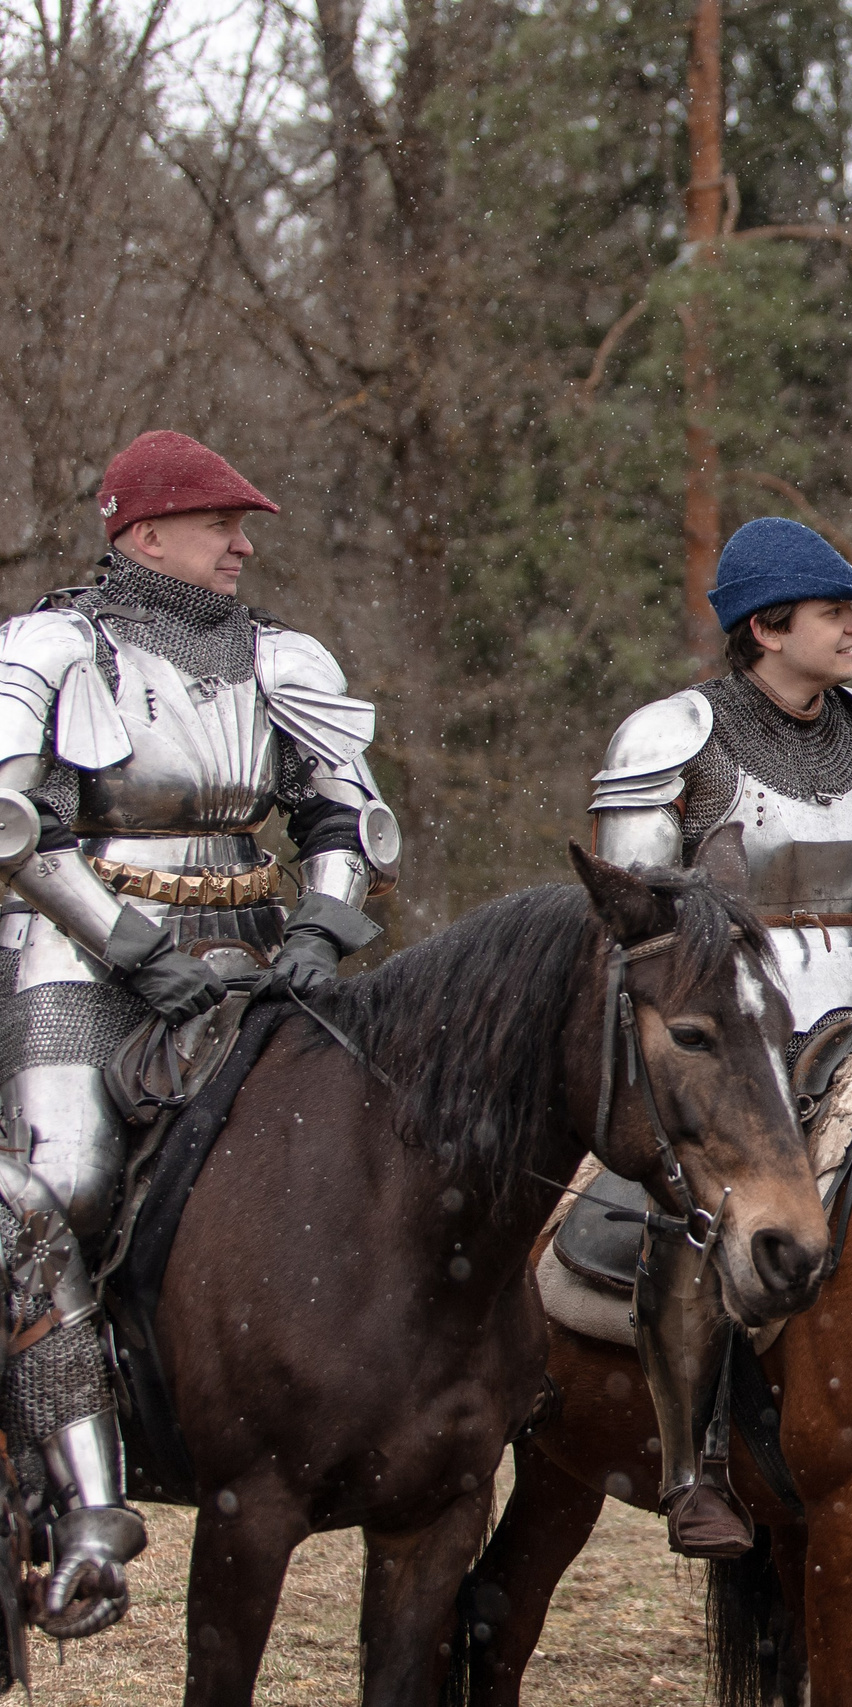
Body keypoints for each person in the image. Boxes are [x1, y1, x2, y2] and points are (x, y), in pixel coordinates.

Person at [0, 430, 401, 1636]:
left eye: (244, 528)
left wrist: (325, 931)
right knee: (53, 1190)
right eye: (221, 524)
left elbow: (353, 813)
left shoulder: (285, 656)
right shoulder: (52, 645)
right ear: (142, 535)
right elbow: (13, 820)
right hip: (77, 960)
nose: (241, 546)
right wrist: (129, 947)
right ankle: (82, 1500)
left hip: (264, 960)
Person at [589, 516, 852, 1558]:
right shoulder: (673, 737)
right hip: (724, 1018)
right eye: (835, 612)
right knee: (694, 1207)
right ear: (766, 626)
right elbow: (641, 919)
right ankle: (692, 1464)